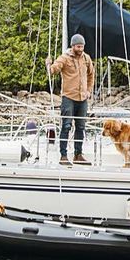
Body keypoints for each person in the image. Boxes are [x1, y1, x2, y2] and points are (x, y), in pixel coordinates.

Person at [46, 34, 95, 166]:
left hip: (82, 98)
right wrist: (50, 67)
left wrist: (89, 90)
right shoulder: (64, 58)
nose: (81, 48)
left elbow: (91, 75)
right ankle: (63, 155)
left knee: (81, 127)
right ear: (73, 46)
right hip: (68, 97)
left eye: (82, 46)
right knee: (66, 126)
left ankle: (78, 154)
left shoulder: (86, 58)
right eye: (78, 46)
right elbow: (55, 69)